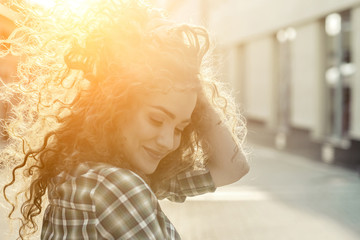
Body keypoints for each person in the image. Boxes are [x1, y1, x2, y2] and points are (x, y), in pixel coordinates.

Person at [1, 0, 249, 239]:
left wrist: (189, 81)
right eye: (156, 119)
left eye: (180, 128)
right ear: (115, 109)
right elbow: (233, 168)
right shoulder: (116, 186)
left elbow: (233, 167)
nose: (168, 141)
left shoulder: (86, 174)